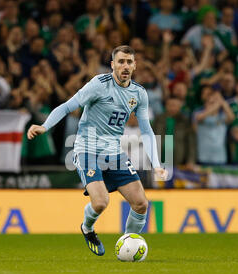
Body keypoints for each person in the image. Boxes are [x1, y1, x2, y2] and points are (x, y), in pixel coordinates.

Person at [27, 45, 168, 256]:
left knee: (141, 204)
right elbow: (67, 106)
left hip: (114, 153)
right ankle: (87, 227)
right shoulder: (98, 84)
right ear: (112, 65)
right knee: (101, 202)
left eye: (129, 62)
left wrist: (156, 165)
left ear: (135, 65)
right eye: (120, 62)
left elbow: (146, 131)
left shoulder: (139, 93)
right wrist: (45, 126)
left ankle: (127, 246)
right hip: (87, 149)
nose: (125, 66)